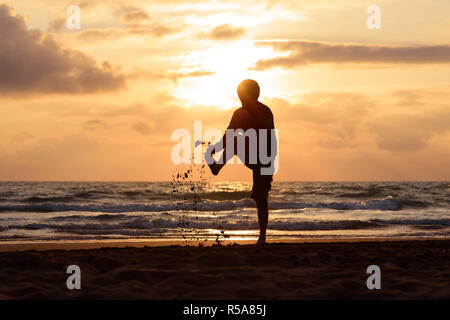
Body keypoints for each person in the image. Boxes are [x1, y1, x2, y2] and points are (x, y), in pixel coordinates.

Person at [206, 79, 276, 245]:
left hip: (265, 157)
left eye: (244, 97)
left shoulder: (265, 112)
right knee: (235, 141)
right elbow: (229, 134)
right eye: (240, 97)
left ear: (254, 96)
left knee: (261, 198)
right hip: (253, 155)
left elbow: (266, 137)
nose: (241, 100)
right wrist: (216, 148)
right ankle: (217, 166)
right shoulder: (239, 113)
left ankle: (262, 237)